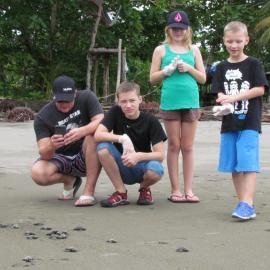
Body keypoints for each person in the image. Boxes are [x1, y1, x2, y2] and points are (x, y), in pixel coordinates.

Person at [211, 21, 269, 220]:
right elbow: (219, 93)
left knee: (248, 162)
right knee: (234, 165)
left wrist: (234, 98)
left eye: (238, 41)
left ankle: (248, 203)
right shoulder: (220, 67)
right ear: (224, 41)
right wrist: (222, 105)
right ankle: (242, 201)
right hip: (229, 123)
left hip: (249, 122)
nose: (234, 45)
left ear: (246, 40)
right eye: (230, 41)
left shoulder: (254, 64)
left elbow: (260, 89)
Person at [149, 10, 206, 203]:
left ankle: (189, 189)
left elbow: (203, 78)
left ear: (187, 29)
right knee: (174, 145)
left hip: (190, 101)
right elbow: (152, 78)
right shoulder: (161, 50)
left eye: (181, 29)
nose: (178, 32)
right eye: (174, 28)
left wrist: (189, 68)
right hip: (170, 102)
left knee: (187, 146)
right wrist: (167, 70)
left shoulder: (194, 50)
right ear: (168, 29)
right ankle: (175, 190)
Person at [31, 75, 104, 207]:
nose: (64, 105)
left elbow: (102, 121)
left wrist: (82, 131)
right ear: (54, 97)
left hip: (86, 155)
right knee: (38, 173)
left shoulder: (87, 97)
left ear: (75, 93)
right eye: (60, 101)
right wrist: (51, 145)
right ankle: (70, 180)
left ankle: (88, 192)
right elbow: (44, 153)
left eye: (68, 101)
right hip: (61, 157)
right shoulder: (42, 117)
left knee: (94, 135)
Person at [94, 81, 167, 207]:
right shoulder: (115, 112)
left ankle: (144, 189)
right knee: (102, 147)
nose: (128, 105)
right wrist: (122, 138)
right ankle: (121, 192)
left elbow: (160, 155)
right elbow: (98, 135)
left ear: (140, 99)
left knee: (156, 169)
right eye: (124, 101)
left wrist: (138, 156)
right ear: (118, 102)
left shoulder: (151, 121)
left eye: (132, 100)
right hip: (121, 164)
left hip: (142, 166)